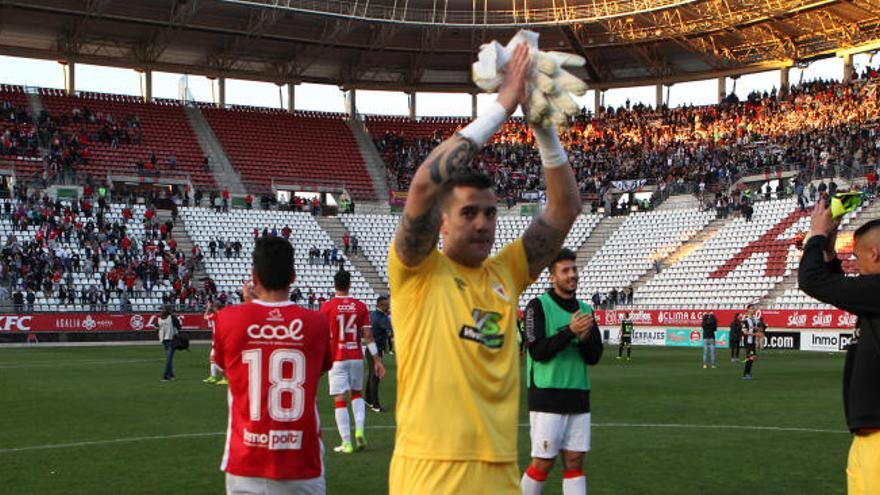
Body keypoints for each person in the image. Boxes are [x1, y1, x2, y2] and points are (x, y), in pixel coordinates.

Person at [387, 44, 582, 494]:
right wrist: (503, 103)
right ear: (443, 221)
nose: (482, 224)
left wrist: (544, 130)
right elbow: (422, 186)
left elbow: (565, 208)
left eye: (490, 214)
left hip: (498, 473)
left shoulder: (505, 273)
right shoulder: (416, 271)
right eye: (469, 213)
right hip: (429, 474)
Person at [212, 236, 333, 495]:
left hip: (246, 458)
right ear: (293, 276)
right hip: (300, 459)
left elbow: (226, 370)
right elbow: (319, 370)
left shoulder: (227, 319)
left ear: (254, 276)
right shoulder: (317, 323)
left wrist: (249, 308)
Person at [799, 205, 880, 494]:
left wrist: (817, 235)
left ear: (875, 254)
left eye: (856, 258)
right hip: (867, 438)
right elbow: (841, 288)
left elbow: (812, 281)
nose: (855, 266)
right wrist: (830, 256)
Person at [521, 249, 603, 495]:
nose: (572, 275)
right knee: (544, 462)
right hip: (547, 396)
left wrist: (586, 338)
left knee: (576, 460)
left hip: (578, 395)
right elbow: (537, 351)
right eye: (565, 271)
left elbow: (594, 357)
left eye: (574, 269)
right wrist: (570, 331)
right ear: (552, 277)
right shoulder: (537, 307)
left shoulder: (586, 309)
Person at [320, 270, 385, 454]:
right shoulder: (360, 306)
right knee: (357, 393)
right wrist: (377, 360)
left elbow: (322, 336)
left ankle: (346, 443)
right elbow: (368, 336)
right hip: (356, 356)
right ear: (350, 285)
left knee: (340, 399)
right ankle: (360, 431)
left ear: (335, 285)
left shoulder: (327, 307)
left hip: (337, 358)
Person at [366, 295, 392, 412]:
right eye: (387, 305)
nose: (389, 306)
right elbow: (391, 330)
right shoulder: (382, 317)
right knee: (375, 377)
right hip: (376, 349)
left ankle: (368, 399)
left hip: (370, 349)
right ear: (381, 305)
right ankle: (375, 405)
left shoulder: (373, 314)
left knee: (372, 374)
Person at [202, 303, 227, 385]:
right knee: (212, 359)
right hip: (222, 340)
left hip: (218, 341)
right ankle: (213, 377)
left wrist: (208, 308)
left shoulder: (215, 315)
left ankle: (225, 378)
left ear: (216, 307)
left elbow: (205, 316)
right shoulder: (224, 314)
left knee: (216, 359)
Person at [158, 307, 177, 382]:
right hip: (169, 339)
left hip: (166, 339)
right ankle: (169, 375)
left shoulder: (160, 318)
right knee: (169, 359)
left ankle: (168, 375)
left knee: (169, 358)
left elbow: (157, 326)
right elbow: (178, 325)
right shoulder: (171, 317)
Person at [742, 304, 758, 379]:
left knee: (753, 357)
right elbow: (745, 332)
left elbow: (755, 329)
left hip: (753, 341)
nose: (753, 310)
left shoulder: (754, 319)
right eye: (751, 309)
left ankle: (748, 372)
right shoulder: (745, 320)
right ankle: (746, 374)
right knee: (750, 357)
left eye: (754, 308)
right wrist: (755, 334)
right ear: (748, 310)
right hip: (748, 341)